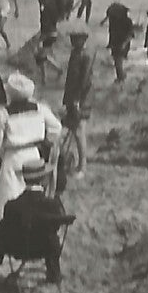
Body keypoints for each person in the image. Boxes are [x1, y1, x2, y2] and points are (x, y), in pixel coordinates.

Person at [0, 71, 61, 234]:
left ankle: (5, 234)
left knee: (8, 196)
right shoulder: (40, 109)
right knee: (34, 194)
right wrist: (46, 142)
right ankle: (33, 231)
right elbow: (56, 127)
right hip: (33, 155)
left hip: (12, 157)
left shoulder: (4, 114)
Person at [61, 24, 94, 184]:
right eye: (72, 38)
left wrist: (77, 100)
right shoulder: (75, 53)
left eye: (76, 38)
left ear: (84, 39)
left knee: (79, 131)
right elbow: (70, 79)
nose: (73, 40)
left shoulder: (85, 55)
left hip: (81, 98)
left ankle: (82, 167)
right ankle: (77, 163)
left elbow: (85, 80)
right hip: (72, 97)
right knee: (73, 129)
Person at [102, 0, 136, 82]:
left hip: (123, 43)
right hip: (115, 43)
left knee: (118, 61)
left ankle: (121, 78)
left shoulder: (127, 21)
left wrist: (124, 44)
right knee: (117, 61)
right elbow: (111, 33)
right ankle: (121, 76)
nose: (110, 17)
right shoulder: (113, 21)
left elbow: (130, 34)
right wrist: (110, 44)